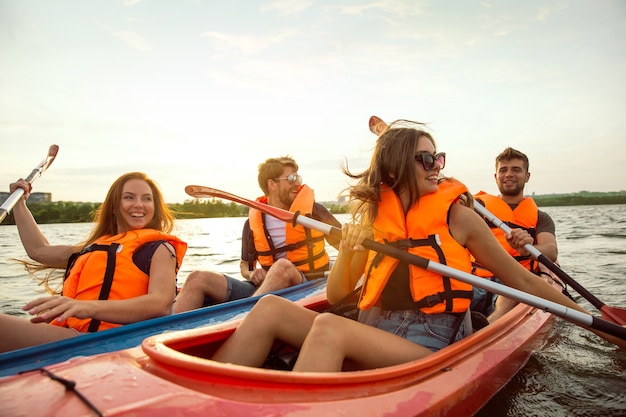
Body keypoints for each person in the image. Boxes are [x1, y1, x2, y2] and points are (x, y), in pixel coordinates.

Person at [208, 118, 623, 372]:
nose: (437, 167)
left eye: (437, 158)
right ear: (395, 166)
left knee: (330, 329)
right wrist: (352, 249)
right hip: (372, 331)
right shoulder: (372, 216)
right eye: (426, 159)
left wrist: (599, 325)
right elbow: (337, 294)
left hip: (427, 347)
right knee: (270, 308)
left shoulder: (457, 216)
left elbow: (524, 282)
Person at [0, 172, 187, 353]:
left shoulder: (160, 249)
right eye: (129, 197)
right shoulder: (92, 249)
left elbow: (160, 304)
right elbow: (38, 250)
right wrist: (20, 204)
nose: (139, 205)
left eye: (147, 199)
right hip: (78, 336)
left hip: (112, 341)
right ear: (114, 206)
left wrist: (85, 307)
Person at [173, 156, 341, 313]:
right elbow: (245, 265)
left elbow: (344, 246)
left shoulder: (314, 212)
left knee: (282, 267)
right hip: (265, 289)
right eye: (291, 179)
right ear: (272, 184)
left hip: (307, 284)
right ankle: (166, 335)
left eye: (298, 178)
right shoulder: (253, 223)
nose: (297, 184)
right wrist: (251, 274)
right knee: (197, 278)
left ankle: (245, 321)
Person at [470, 147, 558, 322]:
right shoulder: (475, 210)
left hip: (514, 282)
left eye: (516, 170)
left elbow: (551, 251)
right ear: (496, 177)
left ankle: (487, 328)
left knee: (513, 295)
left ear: (527, 176)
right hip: (475, 280)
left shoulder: (541, 217)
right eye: (503, 170)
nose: (509, 174)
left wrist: (527, 248)